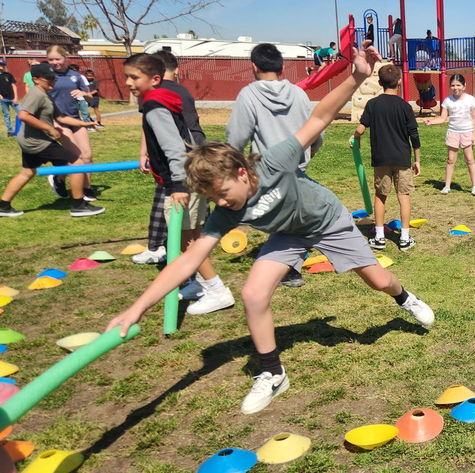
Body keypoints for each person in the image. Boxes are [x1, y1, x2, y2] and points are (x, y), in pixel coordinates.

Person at [107, 41, 434, 416]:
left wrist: (356, 76)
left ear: (243, 172)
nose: (224, 205)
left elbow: (319, 118)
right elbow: (186, 260)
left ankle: (405, 299)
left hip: (326, 220)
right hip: (288, 234)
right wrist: (137, 308)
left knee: (379, 281)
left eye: (226, 194)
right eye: (215, 199)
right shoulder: (225, 211)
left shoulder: (276, 161)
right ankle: (273, 372)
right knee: (253, 294)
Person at [123, 53, 236, 315]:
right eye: (126, 76)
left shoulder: (155, 106)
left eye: (134, 77)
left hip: (182, 180)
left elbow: (174, 148)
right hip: (187, 175)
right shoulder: (161, 98)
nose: (129, 82)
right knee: (192, 235)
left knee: (188, 241)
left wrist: (178, 186)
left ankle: (217, 291)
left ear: (155, 78)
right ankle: (199, 284)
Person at [227, 43, 324, 287]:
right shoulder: (299, 94)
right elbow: (315, 130)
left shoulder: (249, 95)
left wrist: (232, 161)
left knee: (278, 215)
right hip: (296, 165)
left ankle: (288, 268)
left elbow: (237, 137)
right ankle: (292, 262)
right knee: (287, 213)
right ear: (282, 67)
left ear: (253, 66)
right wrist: (310, 152)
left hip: (267, 167)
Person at [0, 63, 103, 218]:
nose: (53, 81)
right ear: (36, 80)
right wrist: (49, 129)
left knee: (27, 172)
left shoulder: (45, 94)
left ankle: (3, 206)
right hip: (38, 142)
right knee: (78, 163)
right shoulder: (36, 94)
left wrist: (85, 123)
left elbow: (61, 117)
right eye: (48, 78)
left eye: (54, 77)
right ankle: (79, 205)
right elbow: (24, 115)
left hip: (31, 141)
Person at [350, 64, 422, 251]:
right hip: (402, 159)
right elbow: (414, 135)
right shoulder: (405, 106)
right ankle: (405, 238)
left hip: (381, 158)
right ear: (399, 81)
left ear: (380, 82)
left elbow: (360, 128)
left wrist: (355, 137)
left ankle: (379, 236)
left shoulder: (372, 104)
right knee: (403, 195)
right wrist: (417, 159)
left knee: (381, 195)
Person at [45, 46, 98, 201]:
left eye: (58, 59)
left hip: (75, 119)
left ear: (65, 58)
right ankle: (58, 178)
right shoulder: (46, 76)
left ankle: (87, 188)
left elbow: (90, 98)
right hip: (58, 120)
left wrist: (83, 94)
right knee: (76, 156)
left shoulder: (75, 76)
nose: (55, 62)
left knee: (87, 155)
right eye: (51, 59)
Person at [424, 73, 475, 196]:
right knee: (450, 160)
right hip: (453, 132)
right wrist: (431, 122)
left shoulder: (470, 99)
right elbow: (443, 118)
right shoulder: (447, 101)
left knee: (469, 159)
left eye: (458, 85)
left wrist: (473, 135)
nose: (456, 88)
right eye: (453, 85)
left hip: (467, 132)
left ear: (464, 86)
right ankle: (447, 186)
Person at [0, 61, 18, 137]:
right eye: (0, 65)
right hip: (3, 100)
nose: (2, 66)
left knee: (21, 112)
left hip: (12, 99)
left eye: (3, 65)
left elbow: (14, 86)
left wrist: (16, 97)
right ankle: (10, 131)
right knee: (6, 115)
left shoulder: (8, 75)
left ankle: (21, 130)